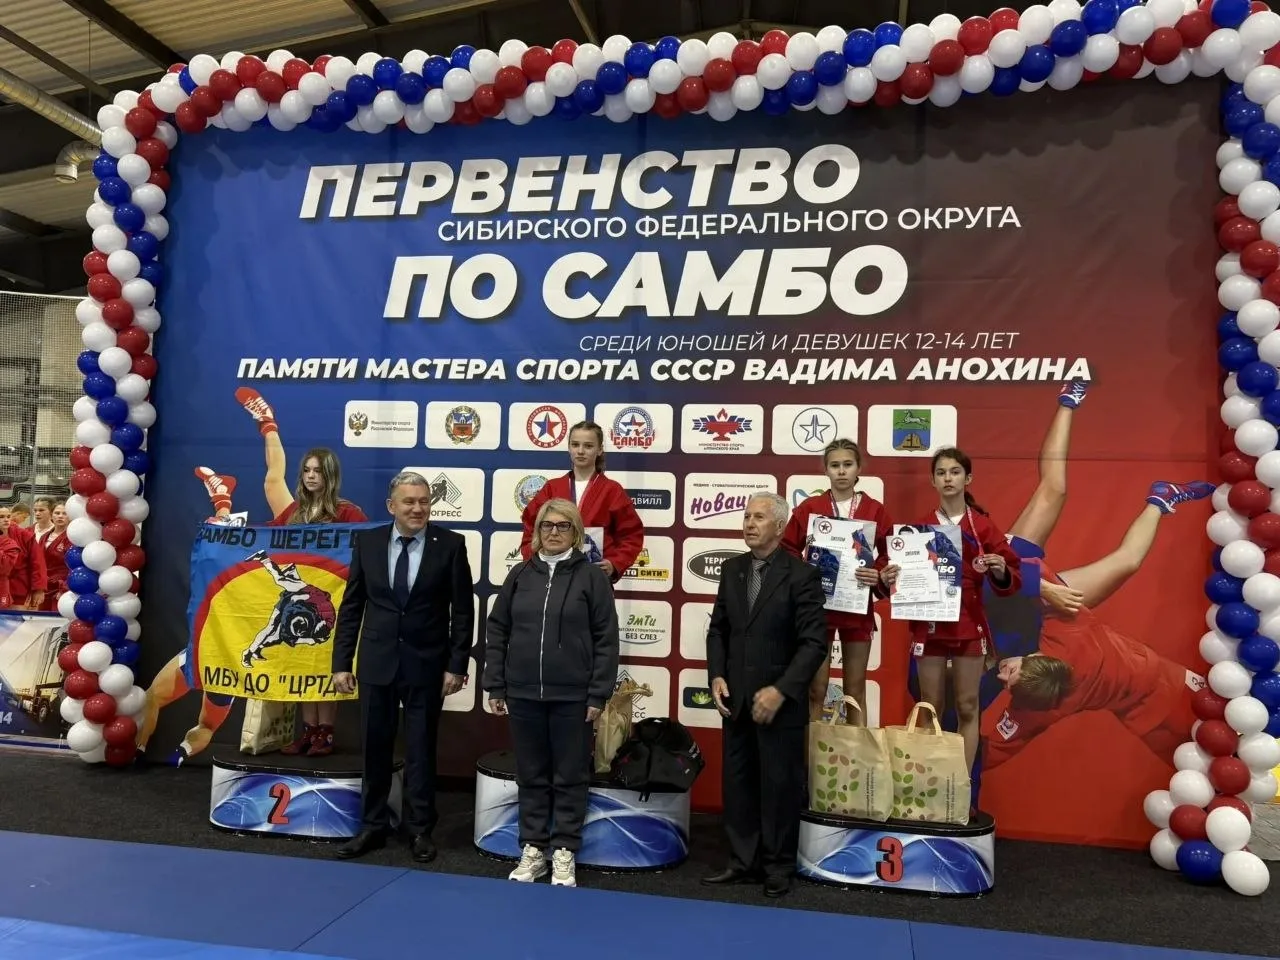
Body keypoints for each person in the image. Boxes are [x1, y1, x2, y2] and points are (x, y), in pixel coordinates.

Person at [210, 386, 368, 757]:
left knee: (326, 666)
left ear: (330, 475)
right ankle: (309, 732)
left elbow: (364, 554)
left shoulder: (348, 512)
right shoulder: (294, 513)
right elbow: (266, 539)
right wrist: (224, 529)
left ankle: (325, 734)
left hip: (331, 603)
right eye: (307, 470)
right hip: (299, 600)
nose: (311, 476)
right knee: (301, 665)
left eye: (318, 471)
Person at [330, 471, 474, 864]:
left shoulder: (451, 545)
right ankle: (372, 825)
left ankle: (420, 829)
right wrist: (342, 662)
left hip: (427, 664)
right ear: (391, 506)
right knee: (373, 748)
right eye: (409, 502)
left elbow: (463, 612)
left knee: (421, 749)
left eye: (424, 501)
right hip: (376, 662)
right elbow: (352, 606)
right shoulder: (368, 542)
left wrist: (456, 665)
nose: (418, 508)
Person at [484, 498, 620, 888]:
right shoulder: (520, 574)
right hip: (523, 694)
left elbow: (606, 639)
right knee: (531, 774)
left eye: (563, 526)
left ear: (576, 532)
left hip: (573, 697)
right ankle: (533, 848)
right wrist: (496, 683)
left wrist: (597, 694)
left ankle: (563, 850)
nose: (554, 532)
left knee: (570, 776)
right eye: (547, 525)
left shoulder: (592, 578)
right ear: (537, 531)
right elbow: (498, 630)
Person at [703, 492, 827, 898]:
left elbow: (813, 644)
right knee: (738, 784)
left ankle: (778, 866)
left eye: (759, 517)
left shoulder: (802, 576)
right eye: (746, 516)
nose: (749, 523)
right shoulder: (732, 569)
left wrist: (782, 690)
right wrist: (717, 675)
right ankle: (743, 862)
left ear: (780, 526)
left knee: (779, 787)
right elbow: (719, 629)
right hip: (736, 700)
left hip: (780, 705)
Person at [882, 447, 1022, 775]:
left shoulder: (982, 526)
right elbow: (900, 577)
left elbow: (1011, 574)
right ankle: (928, 781)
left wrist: (1000, 568)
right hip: (929, 623)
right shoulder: (918, 530)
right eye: (941, 473)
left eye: (955, 472)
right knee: (929, 706)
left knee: (967, 705)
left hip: (968, 623)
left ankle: (960, 782)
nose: (948, 478)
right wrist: (892, 576)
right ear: (933, 480)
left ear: (967, 478)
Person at [781, 438, 891, 722]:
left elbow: (891, 552)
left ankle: (856, 750)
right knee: (816, 689)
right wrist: (806, 570)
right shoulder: (811, 507)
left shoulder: (875, 509)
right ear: (825, 470)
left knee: (855, 691)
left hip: (857, 605)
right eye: (835, 465)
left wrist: (878, 572)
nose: (841, 471)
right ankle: (812, 750)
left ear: (858, 469)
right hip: (819, 607)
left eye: (848, 465)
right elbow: (787, 547)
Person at [519, 421, 643, 583]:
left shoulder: (612, 490)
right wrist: (533, 557)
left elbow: (631, 535)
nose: (581, 451)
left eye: (588, 446)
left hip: (594, 576)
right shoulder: (552, 488)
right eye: (575, 445)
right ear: (569, 448)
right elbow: (531, 526)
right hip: (553, 574)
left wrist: (615, 563)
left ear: (599, 450)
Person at [240, 550, 338, 668]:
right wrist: (294, 599)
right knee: (279, 581)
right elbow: (304, 597)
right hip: (300, 594)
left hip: (299, 606)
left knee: (276, 637)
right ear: (321, 622)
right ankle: (264, 558)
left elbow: (297, 639)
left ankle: (291, 572)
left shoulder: (320, 633)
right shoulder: (325, 611)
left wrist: (310, 640)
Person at [0, 505, 46, 610]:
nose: (6, 520)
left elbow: (38, 562)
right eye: (1, 517)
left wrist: (39, 589)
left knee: (16, 618)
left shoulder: (24, 535)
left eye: (8, 516)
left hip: (18, 588)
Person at [37, 501, 70, 612]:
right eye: (57, 513)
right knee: (42, 619)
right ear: (51, 515)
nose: (60, 516)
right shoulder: (44, 537)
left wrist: (65, 588)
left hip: (61, 587)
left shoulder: (71, 538)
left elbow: (74, 566)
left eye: (64, 513)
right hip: (44, 587)